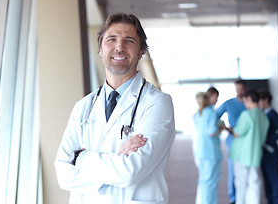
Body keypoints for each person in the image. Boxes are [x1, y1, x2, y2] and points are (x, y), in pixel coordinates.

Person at [54, 13, 176, 204]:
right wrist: (116, 161)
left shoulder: (157, 103)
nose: (119, 47)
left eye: (129, 40)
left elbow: (130, 172)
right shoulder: (83, 106)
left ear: (142, 50)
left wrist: (81, 158)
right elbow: (63, 173)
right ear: (101, 49)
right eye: (111, 39)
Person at [229, 89, 269, 204]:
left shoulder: (247, 115)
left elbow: (237, 132)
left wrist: (231, 129)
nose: (244, 104)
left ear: (249, 99)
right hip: (255, 153)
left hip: (242, 154)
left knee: (241, 184)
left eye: (245, 101)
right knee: (254, 182)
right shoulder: (263, 116)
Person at [216, 79, 246, 204]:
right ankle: (233, 198)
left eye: (241, 89)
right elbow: (214, 116)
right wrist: (225, 127)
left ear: (245, 89)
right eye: (237, 89)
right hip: (233, 140)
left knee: (246, 170)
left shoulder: (248, 103)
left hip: (246, 141)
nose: (239, 92)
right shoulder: (229, 103)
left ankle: (243, 197)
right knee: (233, 171)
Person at [193, 92, 223, 204]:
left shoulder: (199, 113)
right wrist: (221, 128)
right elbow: (211, 131)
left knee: (204, 181)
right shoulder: (210, 112)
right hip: (211, 152)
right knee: (212, 182)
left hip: (202, 151)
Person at [258, 89, 278, 204]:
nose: (258, 103)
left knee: (275, 179)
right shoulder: (262, 114)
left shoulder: (272, 114)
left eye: (260, 100)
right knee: (267, 179)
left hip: (271, 151)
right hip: (263, 152)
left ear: (266, 100)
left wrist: (269, 139)